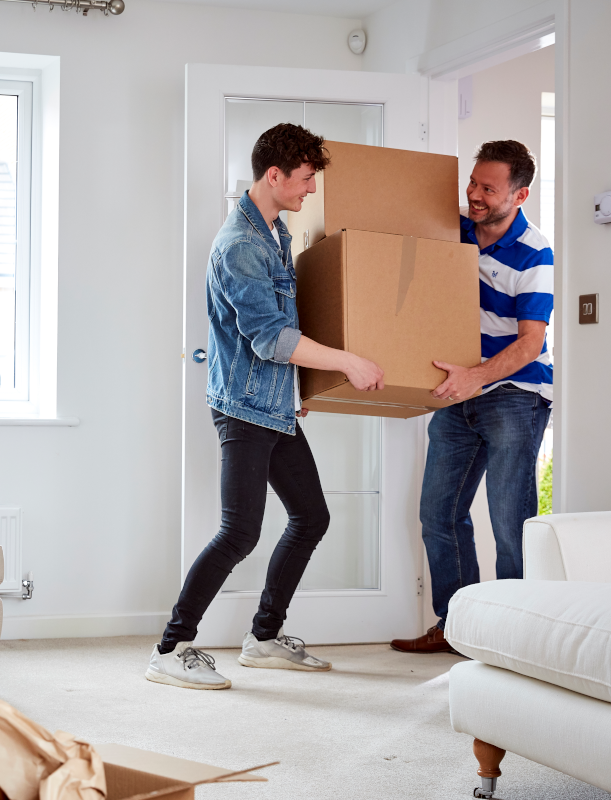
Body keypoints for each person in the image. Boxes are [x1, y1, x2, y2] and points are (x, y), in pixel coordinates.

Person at [147, 123, 385, 689]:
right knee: (239, 533)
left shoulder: (275, 232)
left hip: (271, 404)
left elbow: (279, 328)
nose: (311, 190)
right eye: (305, 179)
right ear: (274, 175)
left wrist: (294, 393)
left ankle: (263, 638)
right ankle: (169, 650)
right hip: (245, 408)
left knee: (311, 517)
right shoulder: (241, 246)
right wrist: (347, 362)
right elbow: (269, 337)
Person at [391, 140, 553, 654]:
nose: (474, 195)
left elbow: (531, 342)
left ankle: (516, 638)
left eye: (489, 188)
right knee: (438, 514)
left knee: (509, 522)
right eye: (473, 183)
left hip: (515, 394)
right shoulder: (453, 229)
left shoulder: (535, 252)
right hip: (457, 389)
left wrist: (476, 379)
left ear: (519, 195)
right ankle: (458, 628)